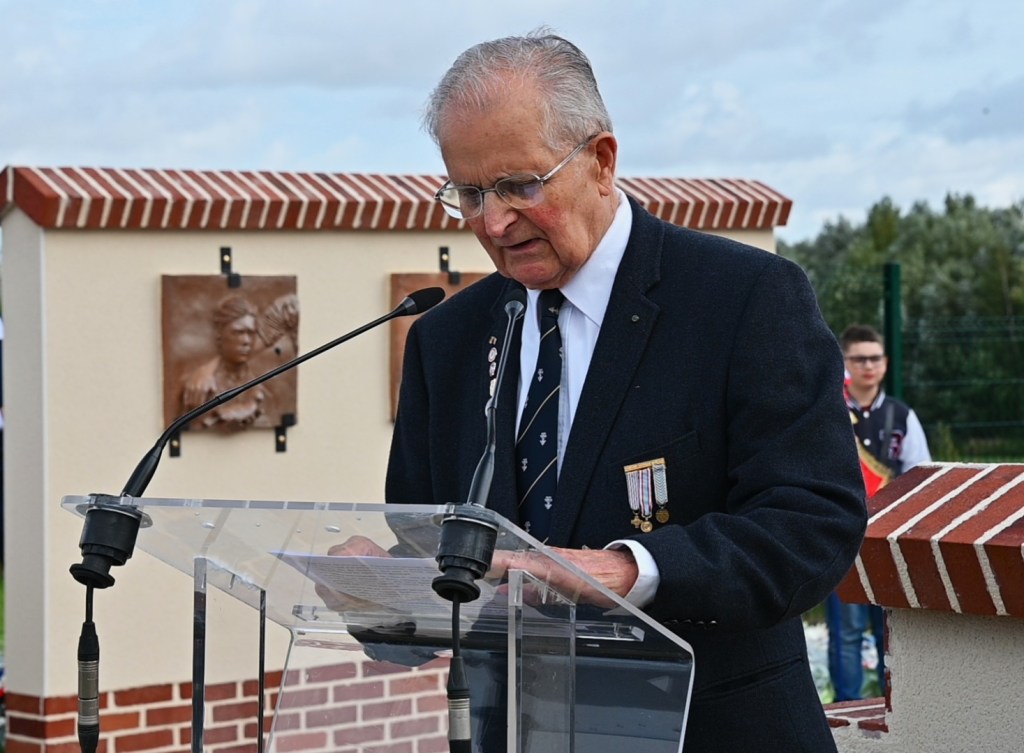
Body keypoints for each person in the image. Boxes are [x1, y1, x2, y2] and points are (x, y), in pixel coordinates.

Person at [330, 31, 865, 751]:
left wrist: (628, 570)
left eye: (519, 185)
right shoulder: (445, 339)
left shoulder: (743, 298)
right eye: (470, 194)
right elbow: (437, 558)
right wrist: (379, 597)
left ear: (601, 161)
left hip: (712, 730)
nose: (493, 222)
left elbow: (811, 525)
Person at [827, 324, 932, 701]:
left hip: (888, 539)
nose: (868, 366)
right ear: (845, 363)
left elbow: (920, 474)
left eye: (874, 358)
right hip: (841, 537)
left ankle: (896, 707)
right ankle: (846, 709)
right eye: (859, 359)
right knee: (847, 633)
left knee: (893, 632)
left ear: (885, 364)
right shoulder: (828, 411)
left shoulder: (901, 416)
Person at [179, 294, 266, 430]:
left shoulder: (258, 387)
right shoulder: (200, 385)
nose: (246, 341)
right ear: (219, 333)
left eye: (250, 333)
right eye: (238, 332)